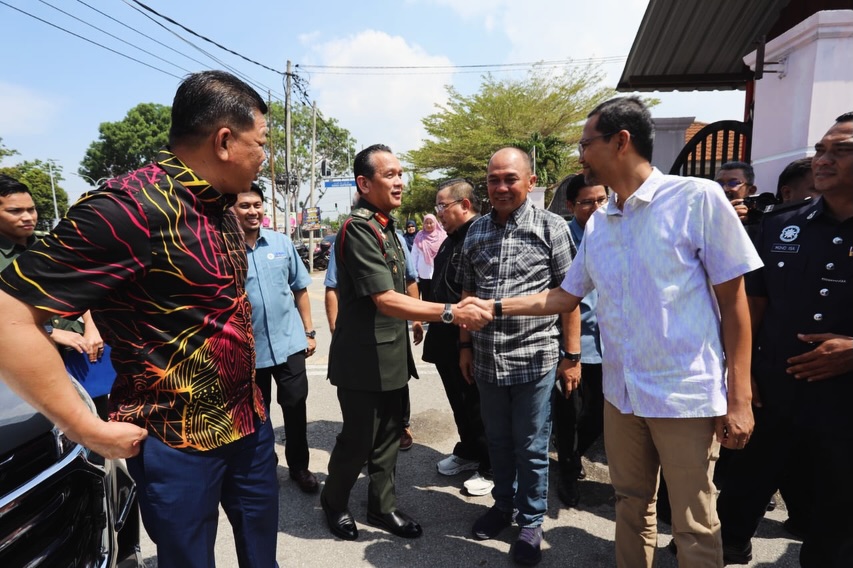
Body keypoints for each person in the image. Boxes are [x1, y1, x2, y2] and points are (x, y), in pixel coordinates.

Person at [464, 97, 762, 568]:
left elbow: (735, 303)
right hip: (622, 395)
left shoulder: (696, 199)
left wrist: (739, 397)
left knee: (693, 521)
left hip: (684, 395)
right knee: (631, 504)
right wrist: (492, 306)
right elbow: (563, 297)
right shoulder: (601, 222)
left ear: (621, 141)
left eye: (586, 143)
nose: (580, 154)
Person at [0, 70, 278, 568]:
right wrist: (83, 426)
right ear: (223, 141)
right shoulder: (126, 209)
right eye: (261, 143)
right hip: (176, 439)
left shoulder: (222, 207)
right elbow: (8, 316)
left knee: (263, 558)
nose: (265, 157)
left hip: (249, 423)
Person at [320, 143, 491, 542]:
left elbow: (406, 285)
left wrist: (417, 317)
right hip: (362, 360)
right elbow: (384, 299)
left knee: (388, 438)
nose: (399, 181)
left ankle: (381, 506)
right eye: (390, 175)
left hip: (391, 354)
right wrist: (450, 312)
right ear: (364, 183)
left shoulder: (387, 227)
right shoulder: (359, 229)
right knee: (358, 440)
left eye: (400, 173)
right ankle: (334, 500)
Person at [717, 112, 853, 568]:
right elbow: (751, 307)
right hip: (772, 389)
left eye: (841, 151)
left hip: (843, 402)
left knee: (836, 512)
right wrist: (742, 378)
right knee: (740, 488)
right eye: (820, 150)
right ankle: (730, 545)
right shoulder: (781, 224)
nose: (824, 160)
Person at [459, 147, 579, 566]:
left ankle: (530, 521)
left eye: (510, 178)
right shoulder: (476, 231)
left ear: (530, 182)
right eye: (493, 179)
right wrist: (464, 346)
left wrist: (573, 356)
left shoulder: (552, 228)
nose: (501, 187)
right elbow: (467, 293)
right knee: (498, 441)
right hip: (487, 360)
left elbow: (570, 296)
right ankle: (503, 505)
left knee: (530, 446)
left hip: (535, 358)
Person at [0, 174, 111, 416]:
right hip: (30, 361)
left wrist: (92, 328)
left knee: (99, 418)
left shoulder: (50, 245)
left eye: (31, 209)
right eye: (15, 211)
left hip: (81, 354)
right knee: (52, 426)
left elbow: (80, 287)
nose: (28, 217)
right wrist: (53, 332)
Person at [234, 183, 319, 493]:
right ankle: (264, 465)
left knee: (295, 407)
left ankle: (299, 467)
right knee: (258, 413)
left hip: (289, 343)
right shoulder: (224, 250)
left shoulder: (281, 243)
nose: (252, 211)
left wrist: (309, 332)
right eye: (245, 205)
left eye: (257, 205)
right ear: (232, 210)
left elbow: (300, 288)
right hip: (248, 350)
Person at [324, 221, 423, 451]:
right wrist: (334, 328)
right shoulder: (347, 238)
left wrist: (417, 319)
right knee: (361, 387)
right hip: (360, 331)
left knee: (398, 381)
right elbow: (332, 286)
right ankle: (361, 437)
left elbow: (410, 279)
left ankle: (401, 425)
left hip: (394, 328)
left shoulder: (396, 239)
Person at [423, 178, 493, 497]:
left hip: (467, 337)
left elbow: (475, 293)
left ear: (465, 205)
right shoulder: (450, 238)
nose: (439, 213)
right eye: (437, 206)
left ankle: (491, 465)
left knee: (477, 403)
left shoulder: (479, 235)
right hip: (444, 335)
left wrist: (467, 344)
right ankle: (469, 450)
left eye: (443, 206)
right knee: (459, 401)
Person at [551, 174, 607, 508]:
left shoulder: (615, 234)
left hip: (609, 344)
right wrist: (568, 353)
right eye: (588, 202)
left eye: (602, 199)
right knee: (568, 413)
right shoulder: (563, 239)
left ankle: (571, 455)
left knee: (599, 414)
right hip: (572, 345)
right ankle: (568, 472)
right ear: (571, 205)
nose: (597, 207)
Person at [410, 213, 447, 300]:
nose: (428, 225)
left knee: (437, 296)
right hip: (423, 273)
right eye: (426, 223)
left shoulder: (442, 235)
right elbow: (414, 255)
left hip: (439, 272)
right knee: (426, 296)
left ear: (435, 223)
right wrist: (414, 273)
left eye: (431, 222)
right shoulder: (419, 236)